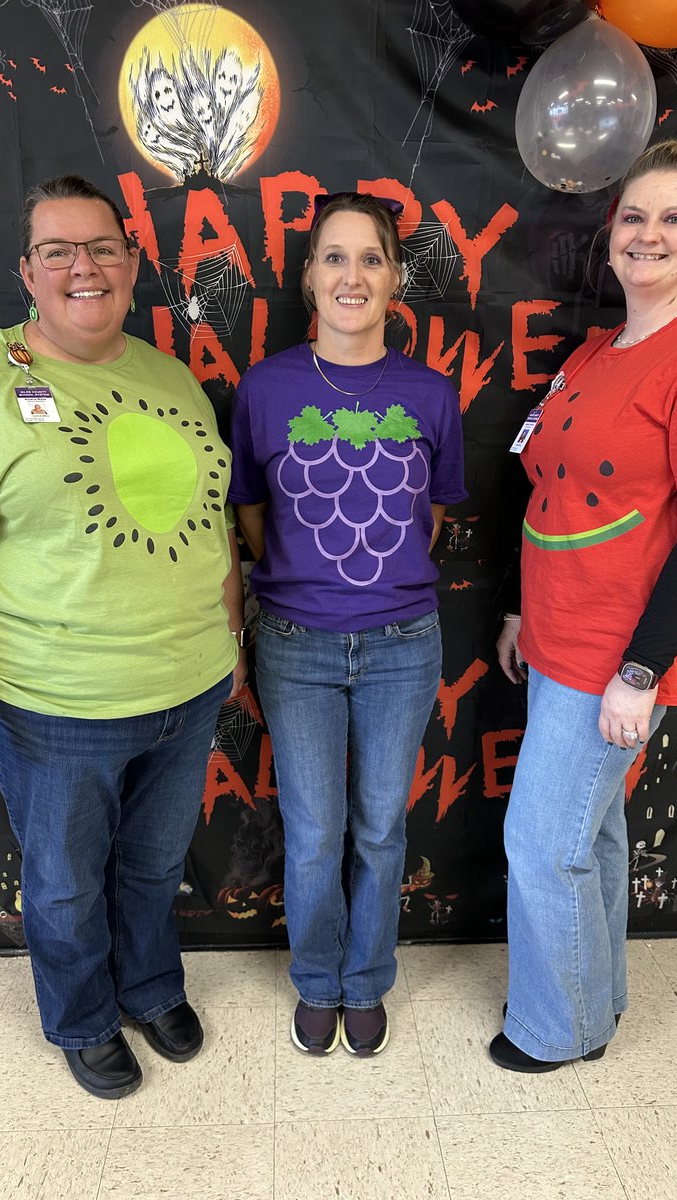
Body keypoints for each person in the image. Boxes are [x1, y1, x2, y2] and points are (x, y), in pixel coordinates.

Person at [0, 175, 247, 1098]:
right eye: (59, 252)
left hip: (188, 684)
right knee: (66, 883)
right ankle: (83, 1018)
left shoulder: (170, 379)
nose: (84, 267)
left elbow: (209, 525)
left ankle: (152, 985)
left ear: (131, 263)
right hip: (55, 704)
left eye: (103, 249)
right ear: (28, 273)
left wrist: (230, 637)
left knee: (158, 863)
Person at [492, 141, 677, 1071]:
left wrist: (641, 673)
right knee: (593, 838)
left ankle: (555, 1031)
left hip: (616, 657)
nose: (649, 235)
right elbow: (556, 496)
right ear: (611, 234)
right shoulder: (597, 352)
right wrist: (517, 616)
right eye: (635, 218)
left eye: (675, 219)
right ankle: (598, 1005)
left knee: (542, 845)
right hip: (556, 640)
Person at [229, 191, 466, 1056]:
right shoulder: (266, 387)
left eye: (370, 258)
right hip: (297, 643)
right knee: (316, 828)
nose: (352, 274)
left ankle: (366, 980)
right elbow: (251, 516)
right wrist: (307, 582)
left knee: (379, 825)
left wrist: (374, 581)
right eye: (335, 256)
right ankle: (316, 981)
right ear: (308, 276)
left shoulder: (430, 394)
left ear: (396, 279)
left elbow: (429, 518)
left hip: (404, 643)